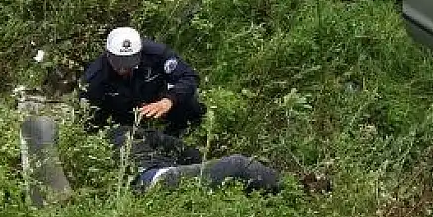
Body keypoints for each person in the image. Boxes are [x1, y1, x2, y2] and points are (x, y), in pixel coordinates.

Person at [79, 27, 283, 193]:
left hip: (158, 106)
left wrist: (168, 100)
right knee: (126, 143)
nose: (124, 69)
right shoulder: (95, 79)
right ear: (108, 56)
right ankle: (158, 174)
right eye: (119, 64)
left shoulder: (156, 54)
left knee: (188, 113)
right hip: (123, 124)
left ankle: (189, 149)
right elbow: (87, 123)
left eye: (129, 63)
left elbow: (189, 77)